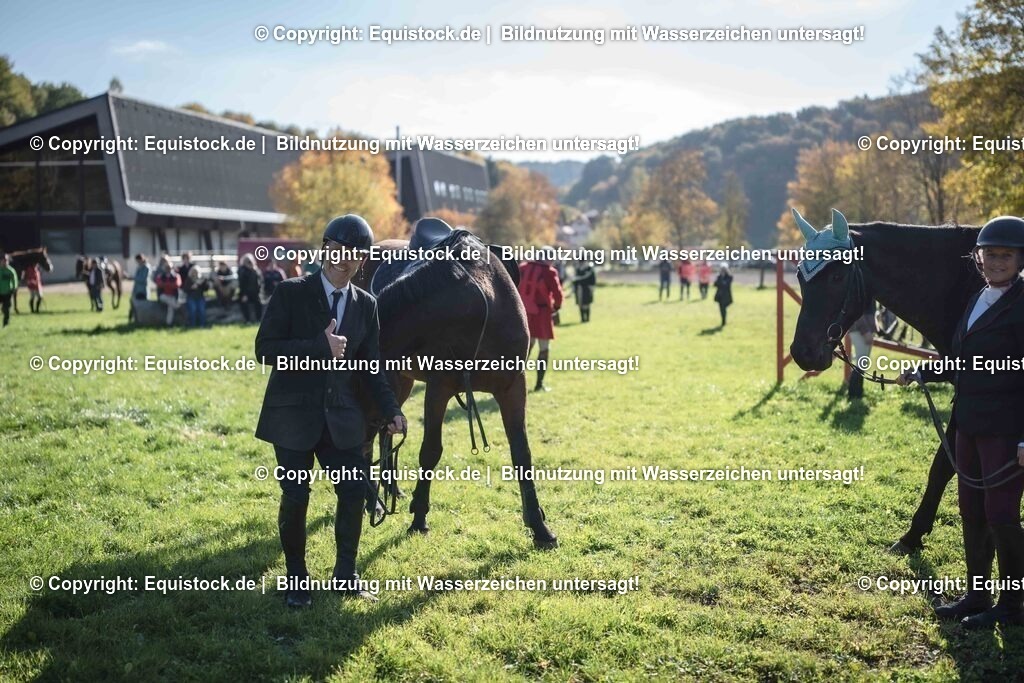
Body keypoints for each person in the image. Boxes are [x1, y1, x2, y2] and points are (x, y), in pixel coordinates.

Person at [256, 214, 407, 608]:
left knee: (354, 490)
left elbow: (371, 365)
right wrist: (317, 348)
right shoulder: (291, 292)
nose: (344, 260)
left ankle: (345, 574)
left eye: (355, 255)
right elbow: (265, 350)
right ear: (326, 249)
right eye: (338, 251)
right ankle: (296, 579)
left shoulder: (366, 305)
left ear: (362, 260)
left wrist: (391, 409)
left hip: (342, 417)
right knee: (295, 495)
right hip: (292, 416)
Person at [897, 216, 1024, 629]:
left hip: (1006, 427)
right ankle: (977, 594)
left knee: (1001, 512)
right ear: (978, 257)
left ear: (1020, 259)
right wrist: (924, 372)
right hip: (967, 421)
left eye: (1006, 255)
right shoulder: (977, 299)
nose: (996, 262)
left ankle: (1011, 606)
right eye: (990, 254)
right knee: (971, 507)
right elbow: (963, 359)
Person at [518, 248, 563, 391]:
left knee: (525, 349)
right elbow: (558, 294)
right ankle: (539, 384)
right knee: (544, 349)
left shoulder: (523, 268)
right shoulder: (549, 272)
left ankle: (515, 383)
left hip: (524, 313)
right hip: (542, 314)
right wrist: (556, 308)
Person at [847, 300, 877, 400]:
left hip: (865, 329)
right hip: (859, 330)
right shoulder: (861, 288)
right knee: (861, 362)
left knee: (862, 362)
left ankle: (857, 393)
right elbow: (856, 311)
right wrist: (865, 331)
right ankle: (854, 394)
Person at [154, 256, 181, 327]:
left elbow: (177, 284)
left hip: (172, 296)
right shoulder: (161, 275)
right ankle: (177, 307)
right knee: (167, 300)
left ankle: (168, 324)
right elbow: (159, 283)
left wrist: (165, 284)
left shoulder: (176, 276)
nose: (168, 270)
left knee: (170, 308)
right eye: (167, 268)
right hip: (163, 295)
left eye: (169, 268)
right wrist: (170, 284)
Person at [238, 253, 263, 323]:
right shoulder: (242, 270)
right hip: (245, 293)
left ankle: (258, 319)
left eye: (250, 261)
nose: (249, 263)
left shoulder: (256, 270)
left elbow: (260, 282)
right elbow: (242, 284)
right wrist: (244, 295)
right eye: (247, 261)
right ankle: (247, 320)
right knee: (244, 303)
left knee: (259, 302)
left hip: (255, 293)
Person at [0, 254, 17, 327]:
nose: (5, 262)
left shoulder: (11, 271)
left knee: (6, 309)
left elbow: (14, 280)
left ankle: (5, 324)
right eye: (3, 261)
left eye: (6, 261)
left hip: (7, 292)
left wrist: (14, 288)